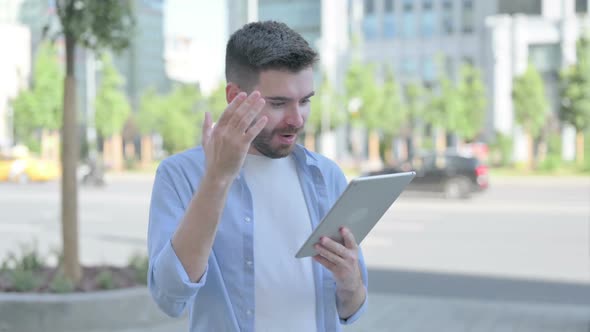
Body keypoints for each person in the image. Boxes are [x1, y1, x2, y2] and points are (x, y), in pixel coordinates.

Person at [147, 21, 368, 332]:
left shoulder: (326, 175)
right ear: (235, 96)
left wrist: (350, 282)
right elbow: (170, 297)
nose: (296, 119)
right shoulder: (180, 175)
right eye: (278, 103)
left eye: (305, 101)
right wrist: (217, 178)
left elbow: (353, 308)